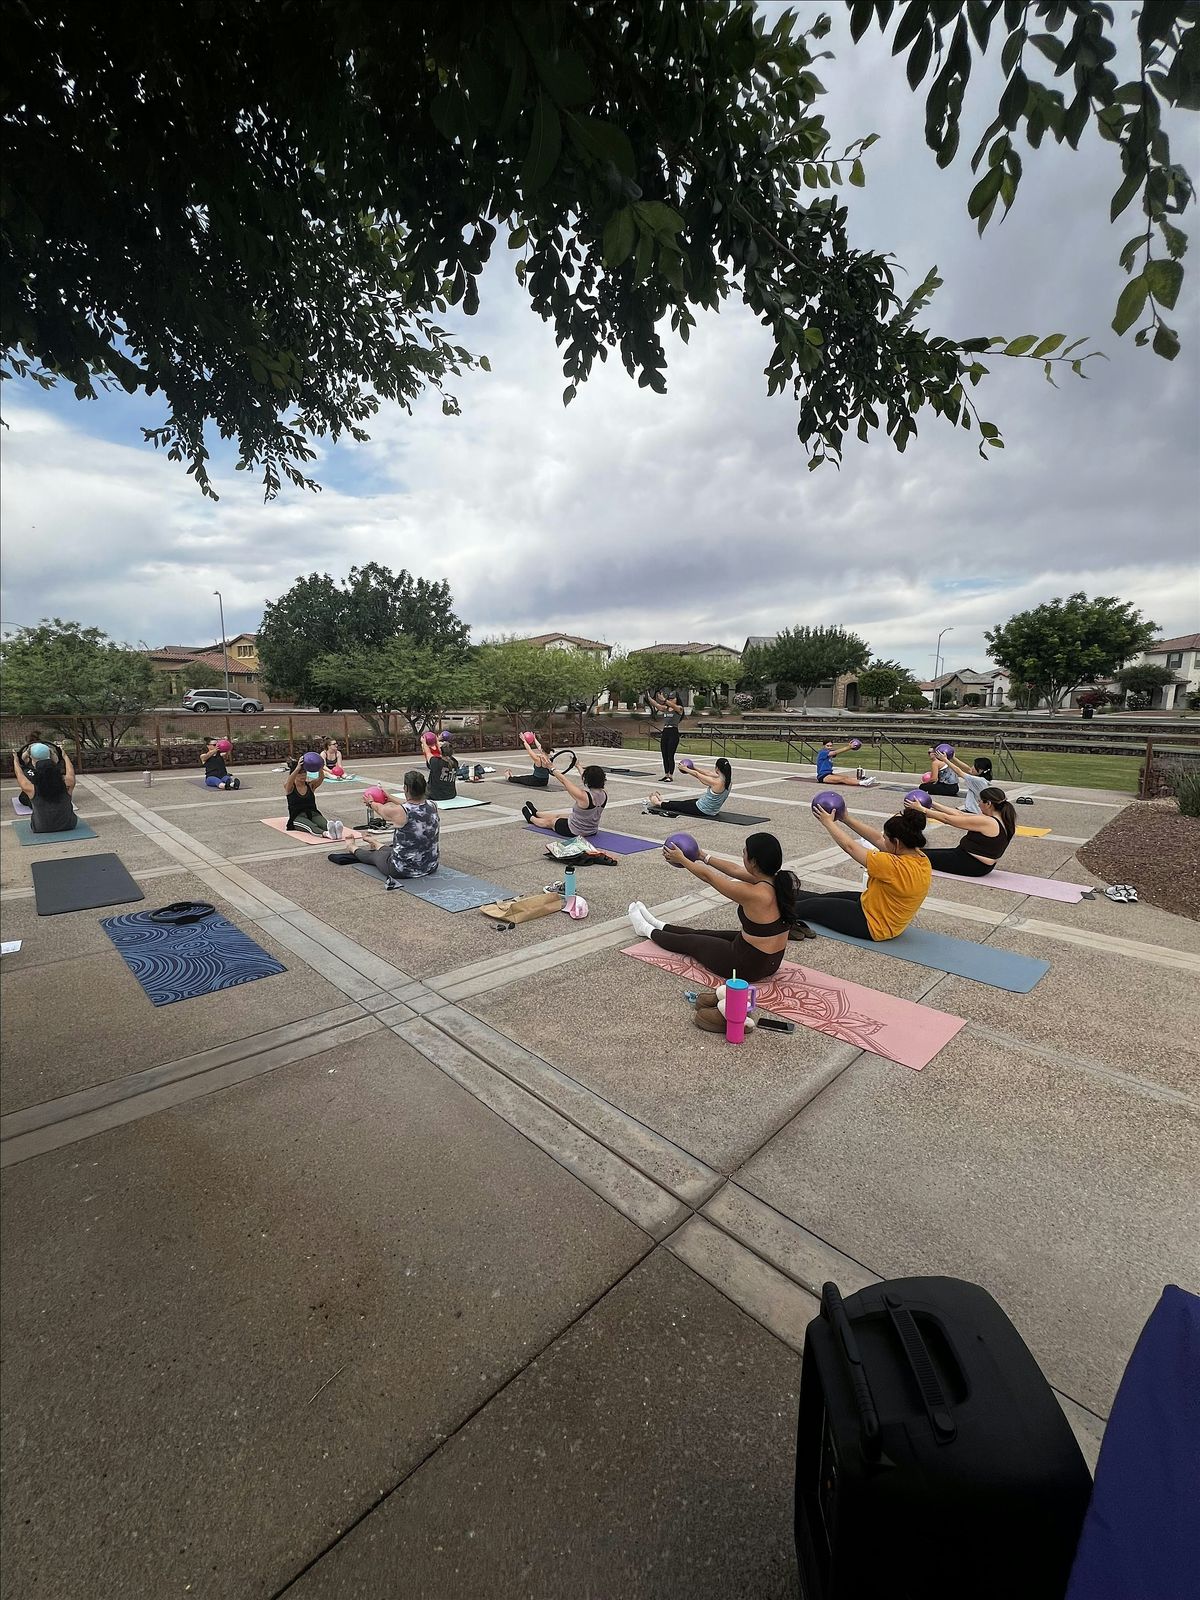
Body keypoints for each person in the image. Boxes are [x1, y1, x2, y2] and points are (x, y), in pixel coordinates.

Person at [627, 831, 795, 982]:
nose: (742, 854)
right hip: (770, 961)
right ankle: (657, 924)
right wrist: (702, 856)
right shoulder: (778, 882)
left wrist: (682, 860)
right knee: (704, 934)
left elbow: (709, 878)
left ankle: (645, 929)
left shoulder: (755, 894)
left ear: (754, 862)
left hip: (746, 967)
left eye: (744, 852)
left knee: (691, 942)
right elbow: (735, 870)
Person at [792, 801, 931, 939]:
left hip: (872, 924)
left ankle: (779, 914)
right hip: (876, 907)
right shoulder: (921, 858)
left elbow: (850, 847)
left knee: (810, 906)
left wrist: (828, 822)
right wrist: (846, 819)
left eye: (886, 838)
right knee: (822, 898)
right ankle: (783, 893)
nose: (883, 840)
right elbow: (877, 839)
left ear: (897, 842)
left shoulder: (893, 865)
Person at [334, 771, 440, 879]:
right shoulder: (433, 805)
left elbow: (382, 810)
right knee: (390, 851)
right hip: (430, 865)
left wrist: (371, 803)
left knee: (374, 855)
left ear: (406, 788)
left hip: (402, 870)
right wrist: (389, 798)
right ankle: (375, 843)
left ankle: (351, 846)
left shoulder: (401, 811)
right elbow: (412, 805)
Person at [912, 787, 1016, 877]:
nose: (978, 804)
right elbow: (960, 814)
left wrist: (923, 810)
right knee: (918, 852)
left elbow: (947, 819)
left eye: (980, 801)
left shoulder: (988, 822)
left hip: (972, 864)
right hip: (971, 860)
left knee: (913, 856)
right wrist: (931, 803)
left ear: (988, 804)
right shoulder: (1004, 820)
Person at [522, 756, 607, 838]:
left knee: (551, 822)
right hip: (592, 830)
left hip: (574, 831)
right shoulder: (604, 794)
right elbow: (586, 778)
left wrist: (551, 768)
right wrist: (577, 765)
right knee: (561, 815)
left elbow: (564, 781)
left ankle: (531, 819)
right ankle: (537, 813)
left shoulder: (583, 796)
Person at [12, 749, 79, 834]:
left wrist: (16, 759)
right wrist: (65, 756)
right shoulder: (68, 784)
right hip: (69, 825)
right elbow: (70, 770)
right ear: (56, 770)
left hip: (40, 828)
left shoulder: (32, 789)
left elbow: (19, 774)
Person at [646, 757, 733, 819]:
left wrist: (685, 769)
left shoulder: (716, 782)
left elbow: (697, 775)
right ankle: (664, 801)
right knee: (683, 803)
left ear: (717, 768)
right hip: (712, 810)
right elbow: (708, 773)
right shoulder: (728, 781)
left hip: (702, 810)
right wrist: (694, 767)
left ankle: (657, 802)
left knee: (678, 806)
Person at [284, 755, 328, 834]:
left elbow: (320, 778)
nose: (303, 775)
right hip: (297, 817)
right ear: (295, 774)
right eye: (300, 773)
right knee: (312, 827)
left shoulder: (310, 785)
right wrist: (297, 768)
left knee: (326, 825)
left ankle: (332, 831)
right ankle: (325, 834)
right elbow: (289, 781)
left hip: (313, 814)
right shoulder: (290, 787)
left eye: (304, 772)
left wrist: (320, 768)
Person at [649, 689, 685, 781]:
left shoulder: (679, 708)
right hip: (665, 731)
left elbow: (674, 706)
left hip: (673, 731)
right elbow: (656, 705)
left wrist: (664, 700)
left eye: (673, 698)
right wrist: (648, 696)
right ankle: (666, 774)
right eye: (670, 698)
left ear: (677, 699)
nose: (671, 700)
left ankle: (671, 775)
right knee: (664, 755)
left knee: (670, 755)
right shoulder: (666, 709)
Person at [424, 734, 458, 801]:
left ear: (441, 751)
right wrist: (437, 741)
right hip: (451, 794)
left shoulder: (436, 762)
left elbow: (428, 752)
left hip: (435, 795)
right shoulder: (455, 762)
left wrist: (424, 742)